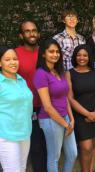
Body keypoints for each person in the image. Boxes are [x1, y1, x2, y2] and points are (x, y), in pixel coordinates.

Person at [33, 39, 77, 172]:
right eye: (51, 51)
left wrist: (71, 118)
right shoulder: (40, 74)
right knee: (54, 157)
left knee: (73, 154)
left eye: (57, 51)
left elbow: (65, 97)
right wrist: (65, 124)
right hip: (50, 120)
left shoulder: (59, 71)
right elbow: (47, 106)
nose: (55, 54)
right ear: (43, 54)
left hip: (66, 118)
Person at [66, 45, 95, 172]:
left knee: (94, 145)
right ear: (75, 57)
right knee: (86, 147)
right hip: (80, 115)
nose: (81, 58)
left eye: (85, 55)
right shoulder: (69, 73)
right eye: (79, 55)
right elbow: (70, 98)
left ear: (89, 57)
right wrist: (88, 114)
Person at [15, 20, 47, 172]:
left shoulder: (46, 52)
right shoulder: (15, 55)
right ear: (21, 35)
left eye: (34, 30)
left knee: (48, 144)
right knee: (36, 147)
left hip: (48, 106)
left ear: (38, 33)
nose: (31, 33)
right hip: (28, 108)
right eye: (27, 31)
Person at [0, 46, 33, 172]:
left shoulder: (20, 80)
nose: (13, 62)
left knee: (22, 168)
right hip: (6, 135)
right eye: (7, 59)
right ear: (0, 63)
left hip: (25, 133)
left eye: (15, 59)